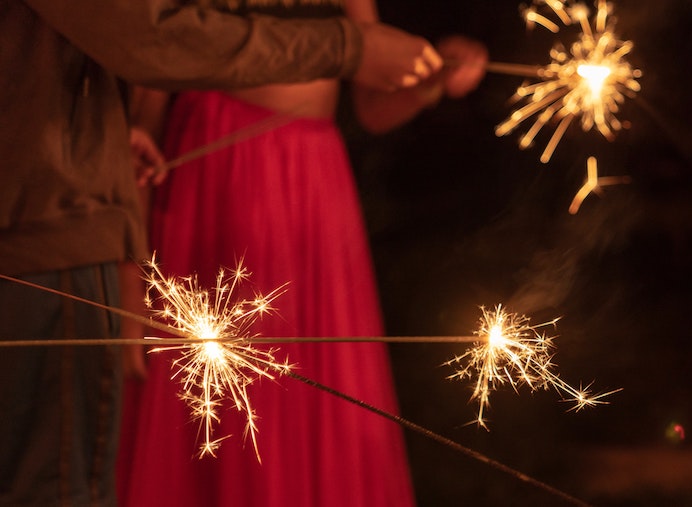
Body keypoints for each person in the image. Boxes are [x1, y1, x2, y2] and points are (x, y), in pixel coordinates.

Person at [0, 1, 446, 505]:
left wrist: (429, 74)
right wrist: (131, 257)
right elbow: (148, 46)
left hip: (311, 184)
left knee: (299, 399)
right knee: (207, 405)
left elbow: (374, 85)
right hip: (204, 176)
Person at [116, 2, 488, 506]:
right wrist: (130, 269)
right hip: (215, 170)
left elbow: (373, 104)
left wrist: (431, 79)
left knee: (311, 391)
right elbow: (149, 87)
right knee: (226, 394)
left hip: (313, 181)